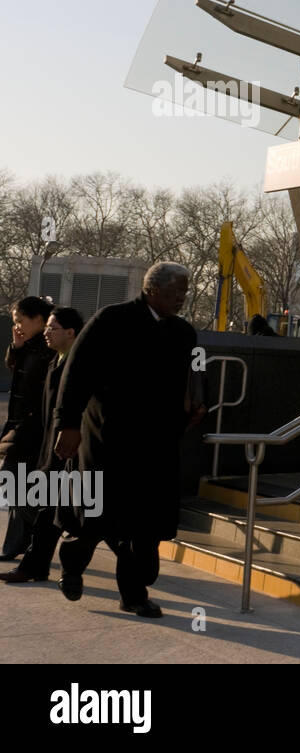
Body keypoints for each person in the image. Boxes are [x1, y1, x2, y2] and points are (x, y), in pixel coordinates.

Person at [51, 263, 203, 616]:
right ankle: (73, 562)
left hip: (157, 443)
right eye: (175, 292)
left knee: (145, 525)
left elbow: (196, 373)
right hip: (108, 436)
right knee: (96, 516)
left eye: (184, 291)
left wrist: (198, 401)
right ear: (152, 289)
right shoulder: (111, 320)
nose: (182, 298)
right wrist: (67, 424)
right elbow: (75, 374)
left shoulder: (183, 333)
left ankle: (133, 595)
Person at [2, 307, 83, 584]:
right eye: (47, 328)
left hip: (71, 449)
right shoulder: (54, 360)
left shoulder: (79, 363)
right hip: (47, 443)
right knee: (44, 507)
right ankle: (33, 563)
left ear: (70, 332)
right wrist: (17, 347)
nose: (48, 333)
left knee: (74, 514)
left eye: (53, 328)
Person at [1, 296, 56, 560]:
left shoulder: (50, 349)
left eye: (20, 320)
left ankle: (35, 537)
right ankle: (19, 544)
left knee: (16, 484)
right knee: (15, 485)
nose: (18, 325)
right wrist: (16, 346)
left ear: (38, 319)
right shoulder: (30, 346)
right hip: (20, 427)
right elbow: (14, 368)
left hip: (36, 430)